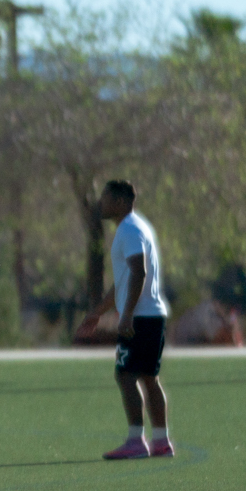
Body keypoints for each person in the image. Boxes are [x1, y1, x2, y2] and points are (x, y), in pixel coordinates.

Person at [77, 180, 173, 459]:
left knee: (126, 375)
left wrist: (127, 314)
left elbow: (138, 272)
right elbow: (122, 282)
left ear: (119, 202)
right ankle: (161, 442)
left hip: (140, 317)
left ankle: (136, 441)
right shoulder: (137, 226)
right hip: (152, 315)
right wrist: (98, 312)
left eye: (105, 199)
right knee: (148, 377)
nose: (101, 204)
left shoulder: (129, 229)